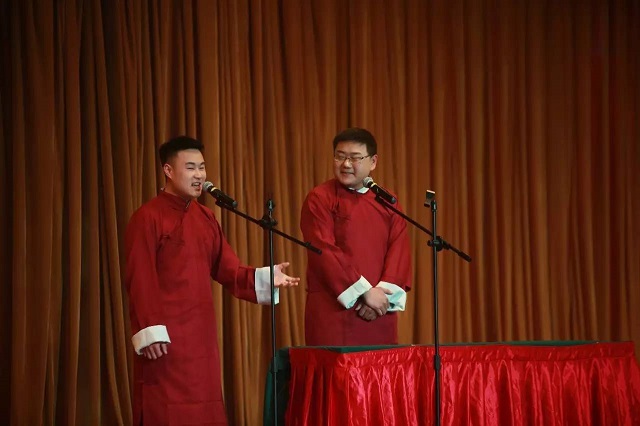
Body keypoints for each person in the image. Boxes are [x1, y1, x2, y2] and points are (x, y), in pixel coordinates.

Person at [125, 136, 299, 425]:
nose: (199, 175)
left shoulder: (206, 217)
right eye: (190, 167)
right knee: (166, 409)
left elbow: (229, 270)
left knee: (205, 406)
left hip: (202, 337)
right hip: (165, 339)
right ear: (168, 170)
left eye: (202, 167)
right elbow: (139, 277)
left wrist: (267, 277)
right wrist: (149, 328)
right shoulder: (147, 217)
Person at [300, 127, 412, 346]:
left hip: (379, 311)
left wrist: (380, 296)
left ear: (373, 162)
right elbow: (323, 251)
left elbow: (399, 251)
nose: (346, 164)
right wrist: (364, 293)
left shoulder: (388, 201)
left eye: (354, 158)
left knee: (381, 366)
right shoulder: (320, 198)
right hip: (334, 311)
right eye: (340, 156)